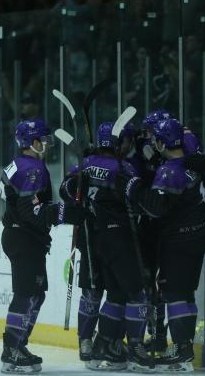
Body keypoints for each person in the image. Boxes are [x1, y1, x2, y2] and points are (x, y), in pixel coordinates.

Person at [116, 118, 205, 372]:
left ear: (161, 142)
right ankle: (183, 347)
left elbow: (157, 208)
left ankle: (182, 352)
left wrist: (134, 188)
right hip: (199, 235)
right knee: (184, 292)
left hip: (181, 238)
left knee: (175, 293)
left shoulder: (170, 171)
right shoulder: (192, 164)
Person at [61, 122, 154, 372]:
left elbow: (65, 191)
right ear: (115, 143)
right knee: (136, 292)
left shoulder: (84, 164)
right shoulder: (122, 167)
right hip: (119, 239)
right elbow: (138, 195)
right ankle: (134, 347)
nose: (127, 146)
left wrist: (85, 176)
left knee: (108, 293)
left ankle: (98, 345)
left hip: (91, 240)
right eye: (124, 141)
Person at [0, 118, 84, 373]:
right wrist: (66, 213)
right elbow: (31, 212)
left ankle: (18, 345)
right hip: (24, 238)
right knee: (27, 294)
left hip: (21, 237)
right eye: (43, 139)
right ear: (32, 142)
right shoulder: (32, 169)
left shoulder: (17, 164)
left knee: (36, 293)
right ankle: (11, 350)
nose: (47, 144)